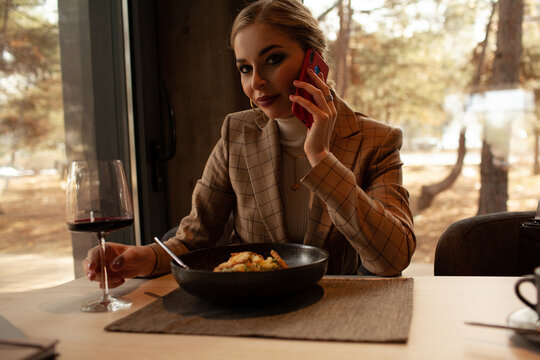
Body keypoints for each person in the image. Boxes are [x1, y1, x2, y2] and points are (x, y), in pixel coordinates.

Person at [83, 0, 416, 289]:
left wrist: (320, 157)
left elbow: (391, 259)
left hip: (340, 314)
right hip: (250, 309)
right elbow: (195, 237)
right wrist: (141, 257)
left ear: (314, 61)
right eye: (245, 68)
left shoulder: (377, 140)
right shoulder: (236, 133)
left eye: (272, 60)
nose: (255, 82)